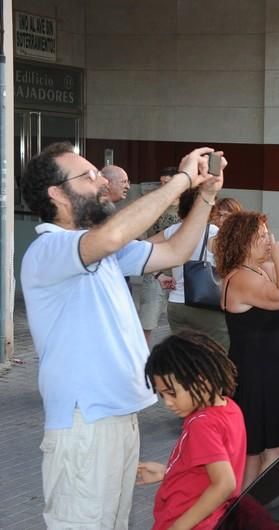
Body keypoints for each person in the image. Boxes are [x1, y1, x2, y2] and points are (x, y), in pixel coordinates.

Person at [20, 142, 224, 528]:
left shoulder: (100, 249)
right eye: (88, 175)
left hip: (116, 420)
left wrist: (207, 196)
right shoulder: (50, 249)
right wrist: (181, 180)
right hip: (85, 424)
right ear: (56, 194)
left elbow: (177, 251)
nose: (101, 181)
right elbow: (112, 237)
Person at [216, 210, 279, 487]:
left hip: (270, 371)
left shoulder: (257, 269)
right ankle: (250, 507)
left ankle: (250, 508)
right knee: (260, 450)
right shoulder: (241, 278)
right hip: (257, 375)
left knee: (264, 448)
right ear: (243, 241)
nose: (269, 240)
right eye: (260, 236)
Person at [137, 332, 245, 530]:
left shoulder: (201, 424)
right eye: (162, 395)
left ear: (201, 380)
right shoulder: (229, 408)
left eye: (172, 393)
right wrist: (165, 472)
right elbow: (208, 469)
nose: (168, 403)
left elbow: (225, 483)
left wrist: (178, 527)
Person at [148, 188, 229, 349]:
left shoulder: (173, 230)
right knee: (217, 355)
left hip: (177, 304)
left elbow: (144, 249)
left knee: (184, 356)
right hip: (207, 305)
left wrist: (159, 275)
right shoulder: (214, 233)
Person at [140, 167, 183, 346]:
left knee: (180, 324)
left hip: (180, 271)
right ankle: (143, 362)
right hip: (155, 269)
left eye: (168, 182)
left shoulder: (187, 206)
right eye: (162, 182)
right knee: (147, 321)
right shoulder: (153, 204)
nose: (164, 186)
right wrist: (157, 274)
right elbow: (141, 239)